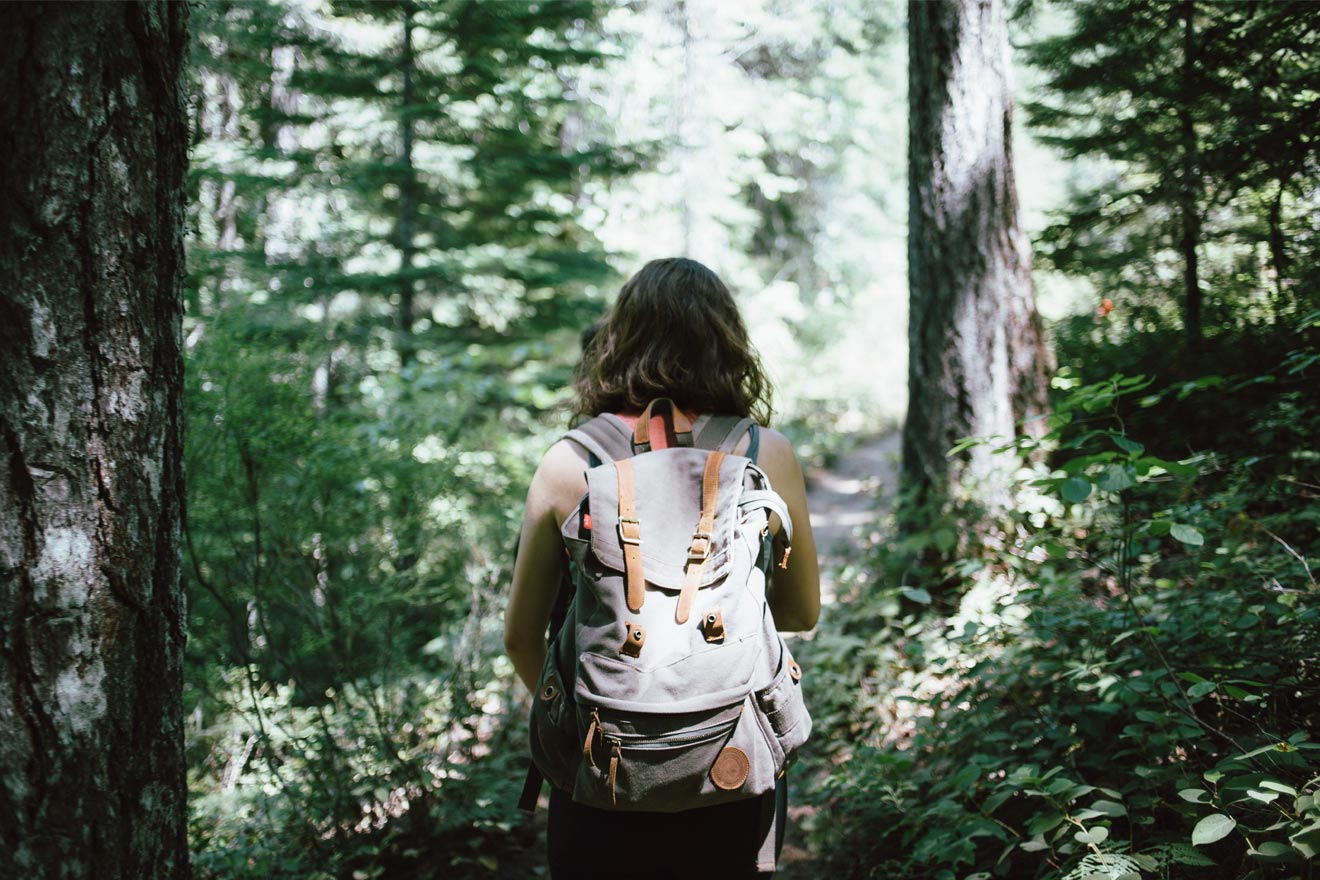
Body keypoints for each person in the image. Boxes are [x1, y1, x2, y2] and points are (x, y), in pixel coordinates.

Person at [503, 257, 820, 878]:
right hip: (731, 760)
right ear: (726, 344)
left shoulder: (570, 463)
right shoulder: (765, 453)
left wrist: (593, 719)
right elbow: (800, 612)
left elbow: (521, 636)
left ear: (619, 341)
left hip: (600, 774)